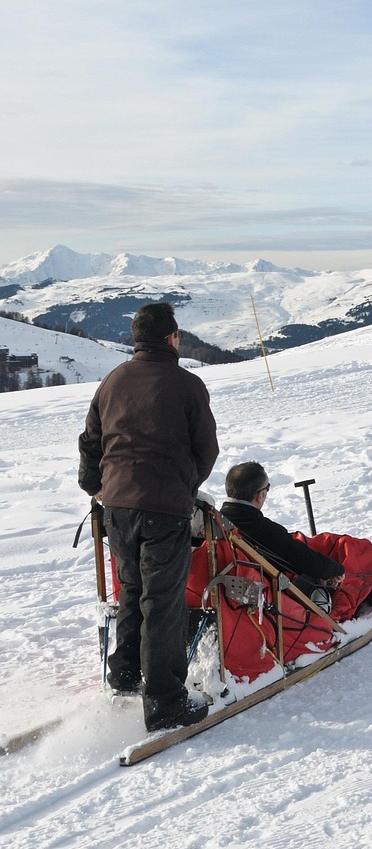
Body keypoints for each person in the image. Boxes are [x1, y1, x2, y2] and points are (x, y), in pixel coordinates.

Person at [78, 302, 218, 731]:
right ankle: (164, 701)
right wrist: (185, 485)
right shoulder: (187, 384)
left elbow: (91, 440)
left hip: (117, 506)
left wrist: (95, 486)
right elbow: (206, 450)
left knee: (130, 590)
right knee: (162, 603)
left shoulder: (113, 380)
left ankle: (123, 677)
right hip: (164, 508)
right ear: (172, 338)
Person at [218, 461, 344, 610]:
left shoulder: (215, 523)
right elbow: (303, 559)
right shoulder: (264, 530)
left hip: (221, 594)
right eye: (267, 488)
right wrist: (335, 569)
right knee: (312, 577)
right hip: (263, 604)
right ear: (260, 495)